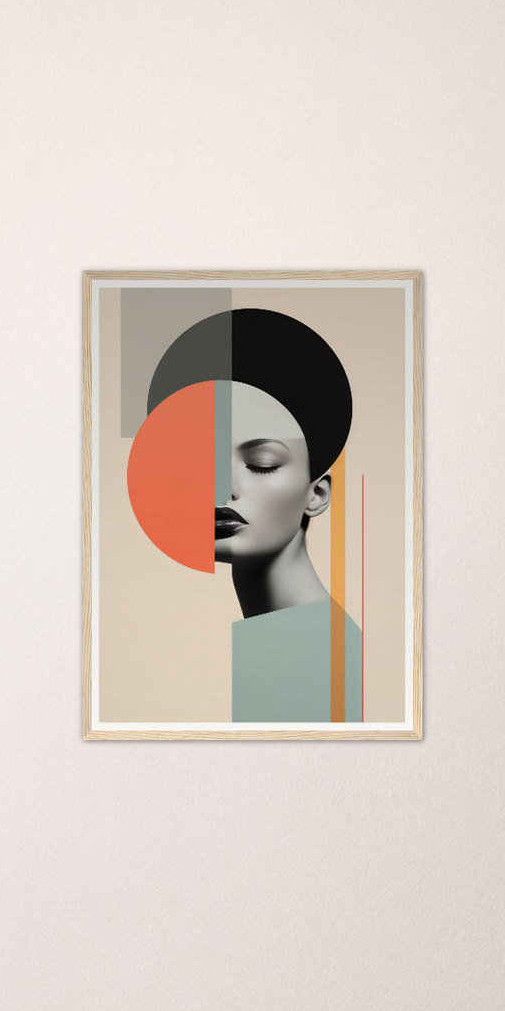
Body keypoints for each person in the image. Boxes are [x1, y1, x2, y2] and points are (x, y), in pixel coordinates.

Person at [136, 308, 361, 721]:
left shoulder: (307, 653)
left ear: (316, 494)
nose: (222, 488)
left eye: (261, 463)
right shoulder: (283, 637)